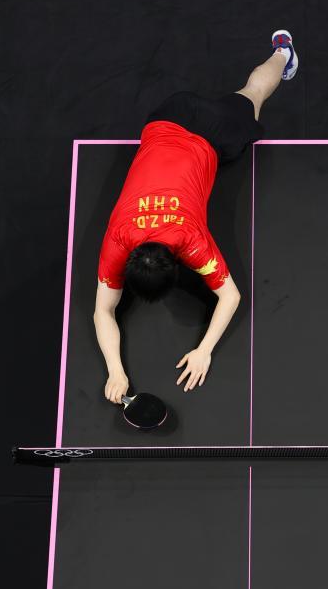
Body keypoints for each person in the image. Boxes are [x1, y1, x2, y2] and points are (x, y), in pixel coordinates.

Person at [94, 30, 299, 403]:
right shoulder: (120, 235)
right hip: (167, 114)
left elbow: (230, 297)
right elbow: (103, 312)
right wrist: (116, 371)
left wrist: (204, 350)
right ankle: (281, 53)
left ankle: (284, 54)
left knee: (254, 95)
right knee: (249, 91)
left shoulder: (190, 240)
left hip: (212, 133)